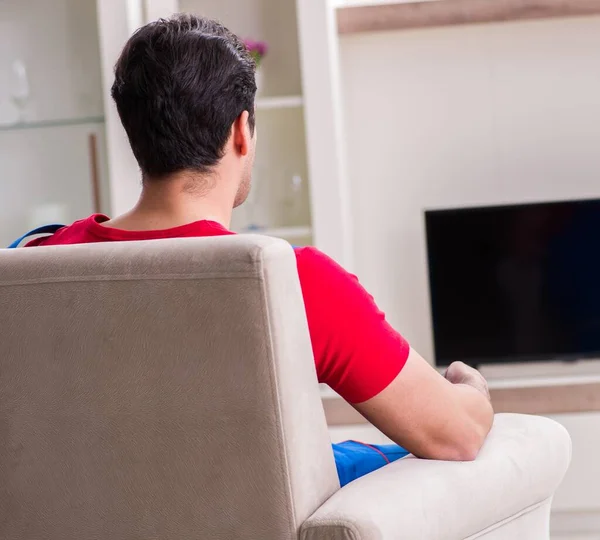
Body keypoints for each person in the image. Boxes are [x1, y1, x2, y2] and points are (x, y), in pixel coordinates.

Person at [26, 14, 493, 480]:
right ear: (241, 132)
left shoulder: (37, 262)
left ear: (133, 135)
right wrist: (471, 388)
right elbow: (457, 434)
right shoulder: (293, 282)